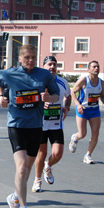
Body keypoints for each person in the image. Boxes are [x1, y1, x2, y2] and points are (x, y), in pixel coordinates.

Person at [0, 44, 59, 208]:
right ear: (20, 59)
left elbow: (55, 94)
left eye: (33, 57)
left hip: (36, 126)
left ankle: (14, 198)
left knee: (27, 168)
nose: (30, 60)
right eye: (27, 57)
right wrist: (1, 97)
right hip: (16, 125)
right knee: (22, 168)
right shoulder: (10, 74)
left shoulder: (44, 75)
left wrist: (49, 99)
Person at [32, 56, 71, 193]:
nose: (52, 67)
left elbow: (68, 95)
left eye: (54, 64)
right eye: (49, 64)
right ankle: (37, 180)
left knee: (58, 153)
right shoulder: (37, 82)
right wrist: (41, 104)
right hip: (41, 124)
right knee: (41, 154)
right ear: (43, 66)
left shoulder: (62, 82)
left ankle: (47, 167)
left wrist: (66, 107)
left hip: (56, 124)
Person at [69, 60, 104, 164]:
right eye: (94, 67)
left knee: (95, 133)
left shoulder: (101, 83)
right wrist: (78, 104)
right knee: (82, 134)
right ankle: (75, 138)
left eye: (98, 67)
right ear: (89, 69)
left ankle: (88, 155)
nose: (96, 68)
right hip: (83, 109)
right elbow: (72, 92)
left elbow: (102, 96)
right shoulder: (84, 80)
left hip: (94, 110)